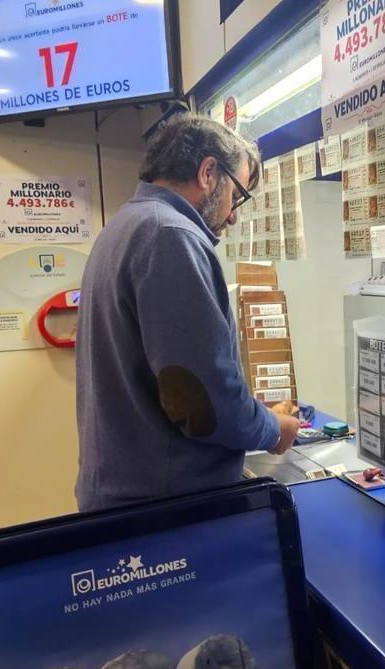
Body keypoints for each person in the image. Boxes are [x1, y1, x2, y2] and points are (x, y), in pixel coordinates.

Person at [75, 114, 300, 511]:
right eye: (237, 197)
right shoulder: (171, 236)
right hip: (163, 511)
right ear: (209, 172)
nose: (233, 216)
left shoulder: (125, 225)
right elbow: (203, 404)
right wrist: (272, 429)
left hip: (127, 496)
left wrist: (254, 412)